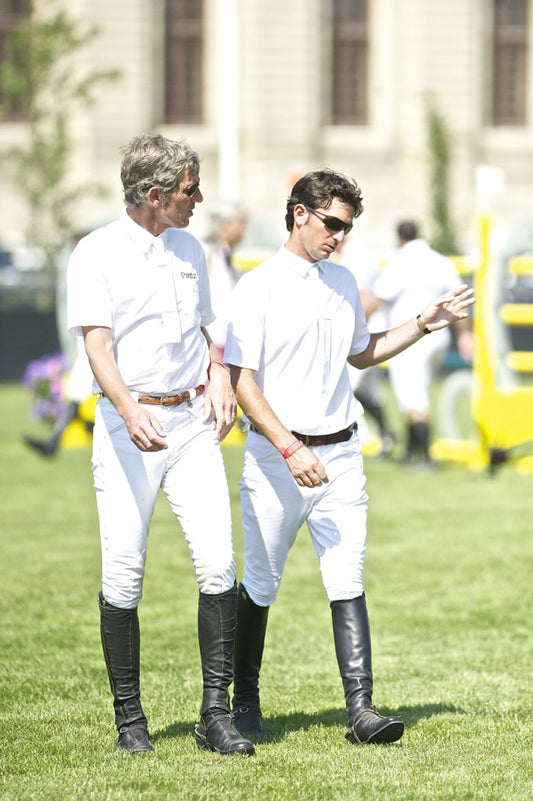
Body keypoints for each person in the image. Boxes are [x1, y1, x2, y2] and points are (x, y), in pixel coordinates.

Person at [224, 169, 475, 746]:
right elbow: (242, 382)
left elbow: (362, 354)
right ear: (300, 214)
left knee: (347, 576)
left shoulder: (342, 280)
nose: (340, 235)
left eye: (348, 226)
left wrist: (423, 324)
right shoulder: (257, 286)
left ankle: (360, 711)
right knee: (261, 582)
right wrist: (288, 447)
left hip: (342, 455)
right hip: (276, 459)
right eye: (333, 223)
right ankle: (244, 704)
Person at [66, 133, 254, 757]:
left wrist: (221, 378)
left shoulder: (191, 249)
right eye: (189, 190)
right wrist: (127, 408)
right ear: (154, 196)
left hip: (191, 425)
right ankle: (130, 721)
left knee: (219, 565)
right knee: (124, 573)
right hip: (128, 427)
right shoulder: (95, 253)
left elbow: (208, 329)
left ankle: (215, 714)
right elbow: (97, 346)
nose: (198, 199)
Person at [370, 221, 474, 465]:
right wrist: (464, 335)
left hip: (411, 336)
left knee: (411, 396)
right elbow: (458, 299)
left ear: (400, 238)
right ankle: (410, 452)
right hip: (439, 337)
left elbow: (379, 298)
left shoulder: (399, 262)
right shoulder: (442, 261)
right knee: (419, 392)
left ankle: (426, 456)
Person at [338, 237, 395, 456]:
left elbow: (366, 300)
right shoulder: (359, 252)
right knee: (370, 391)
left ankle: (363, 439)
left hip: (367, 331)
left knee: (348, 385)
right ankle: (387, 436)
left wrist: (350, 330)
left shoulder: (354, 255)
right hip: (373, 327)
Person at [23, 338, 94, 457]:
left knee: (76, 400)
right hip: (88, 354)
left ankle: (53, 443)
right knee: (75, 401)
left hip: (96, 354)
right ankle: (53, 442)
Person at [201, 198, 247, 357]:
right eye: (239, 223)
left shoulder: (226, 254)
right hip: (212, 345)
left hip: (227, 342)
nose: (244, 229)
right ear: (222, 225)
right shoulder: (205, 252)